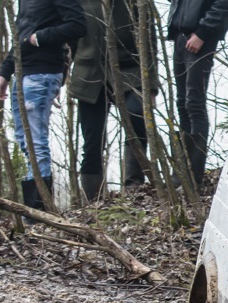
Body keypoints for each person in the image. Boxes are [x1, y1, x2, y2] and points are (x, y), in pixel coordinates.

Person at [0, 0, 87, 211]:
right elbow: (22, 38)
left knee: (35, 141)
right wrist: (4, 71)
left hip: (42, 72)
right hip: (23, 72)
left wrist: (41, 38)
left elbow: (78, 26)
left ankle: (39, 212)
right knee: (25, 140)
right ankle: (36, 212)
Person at [71, 0, 152, 202]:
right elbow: (68, 38)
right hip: (89, 74)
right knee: (92, 139)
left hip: (130, 71)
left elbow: (149, 40)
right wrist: (60, 76)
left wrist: (152, 86)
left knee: (136, 119)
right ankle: (94, 200)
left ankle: (134, 187)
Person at [166, 0, 228, 189]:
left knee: (194, 104)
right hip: (180, 37)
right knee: (182, 104)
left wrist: (202, 33)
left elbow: (225, 4)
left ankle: (193, 179)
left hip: (200, 39)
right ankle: (180, 176)